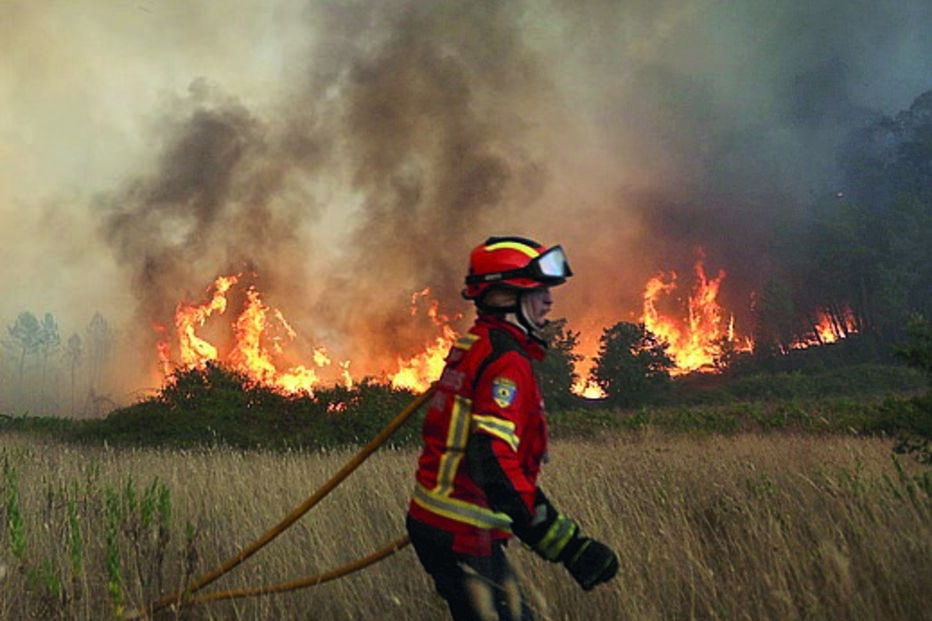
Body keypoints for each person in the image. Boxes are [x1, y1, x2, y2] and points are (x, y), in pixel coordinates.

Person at [406, 236, 619, 621]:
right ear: (505, 296)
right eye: (537, 290)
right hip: (463, 530)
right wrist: (568, 545)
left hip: (438, 524)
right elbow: (492, 461)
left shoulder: (476, 345)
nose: (549, 300)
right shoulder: (505, 360)